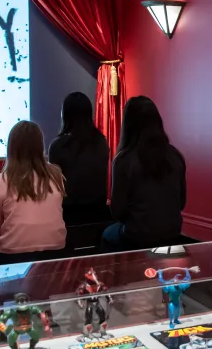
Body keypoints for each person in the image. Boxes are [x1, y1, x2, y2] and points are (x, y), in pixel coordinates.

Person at [0, 121, 67, 265]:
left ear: (11, 147)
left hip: (11, 253)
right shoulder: (56, 175)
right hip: (56, 249)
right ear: (40, 146)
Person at [103, 96, 186, 252]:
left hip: (137, 237)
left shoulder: (123, 160)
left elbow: (118, 212)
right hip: (173, 234)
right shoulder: (175, 156)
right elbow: (181, 202)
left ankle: (115, 275)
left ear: (128, 125)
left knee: (107, 234)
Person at [47, 92, 111, 225]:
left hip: (67, 215)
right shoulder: (101, 142)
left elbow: (54, 187)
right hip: (98, 213)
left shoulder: (58, 145)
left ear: (65, 114)